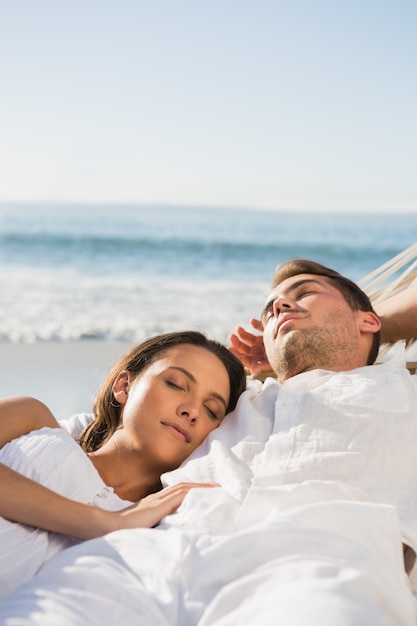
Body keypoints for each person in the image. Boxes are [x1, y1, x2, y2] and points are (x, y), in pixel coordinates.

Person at [1, 260, 417, 625]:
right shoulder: (239, 401)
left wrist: (361, 320)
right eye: (272, 309)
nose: (280, 307)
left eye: (304, 294)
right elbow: (100, 438)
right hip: (151, 555)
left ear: (371, 318)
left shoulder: (402, 392)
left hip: (313, 559)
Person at [0, 330, 246, 599]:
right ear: (124, 386)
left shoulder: (167, 524)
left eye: (212, 410)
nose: (193, 411)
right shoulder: (32, 419)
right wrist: (104, 523)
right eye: (176, 384)